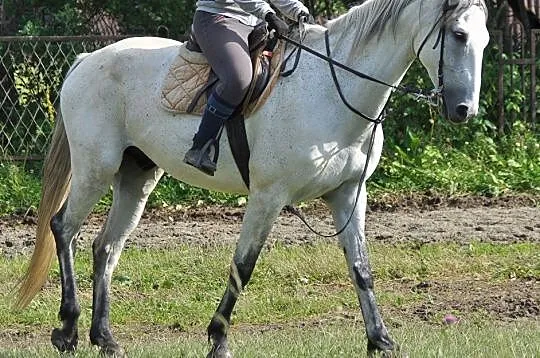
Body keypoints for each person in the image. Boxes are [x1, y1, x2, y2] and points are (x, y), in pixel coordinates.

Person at [183, 0, 311, 176]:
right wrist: (269, 14)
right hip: (218, 18)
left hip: (254, 22)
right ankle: (200, 145)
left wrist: (299, 12)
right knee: (238, 79)